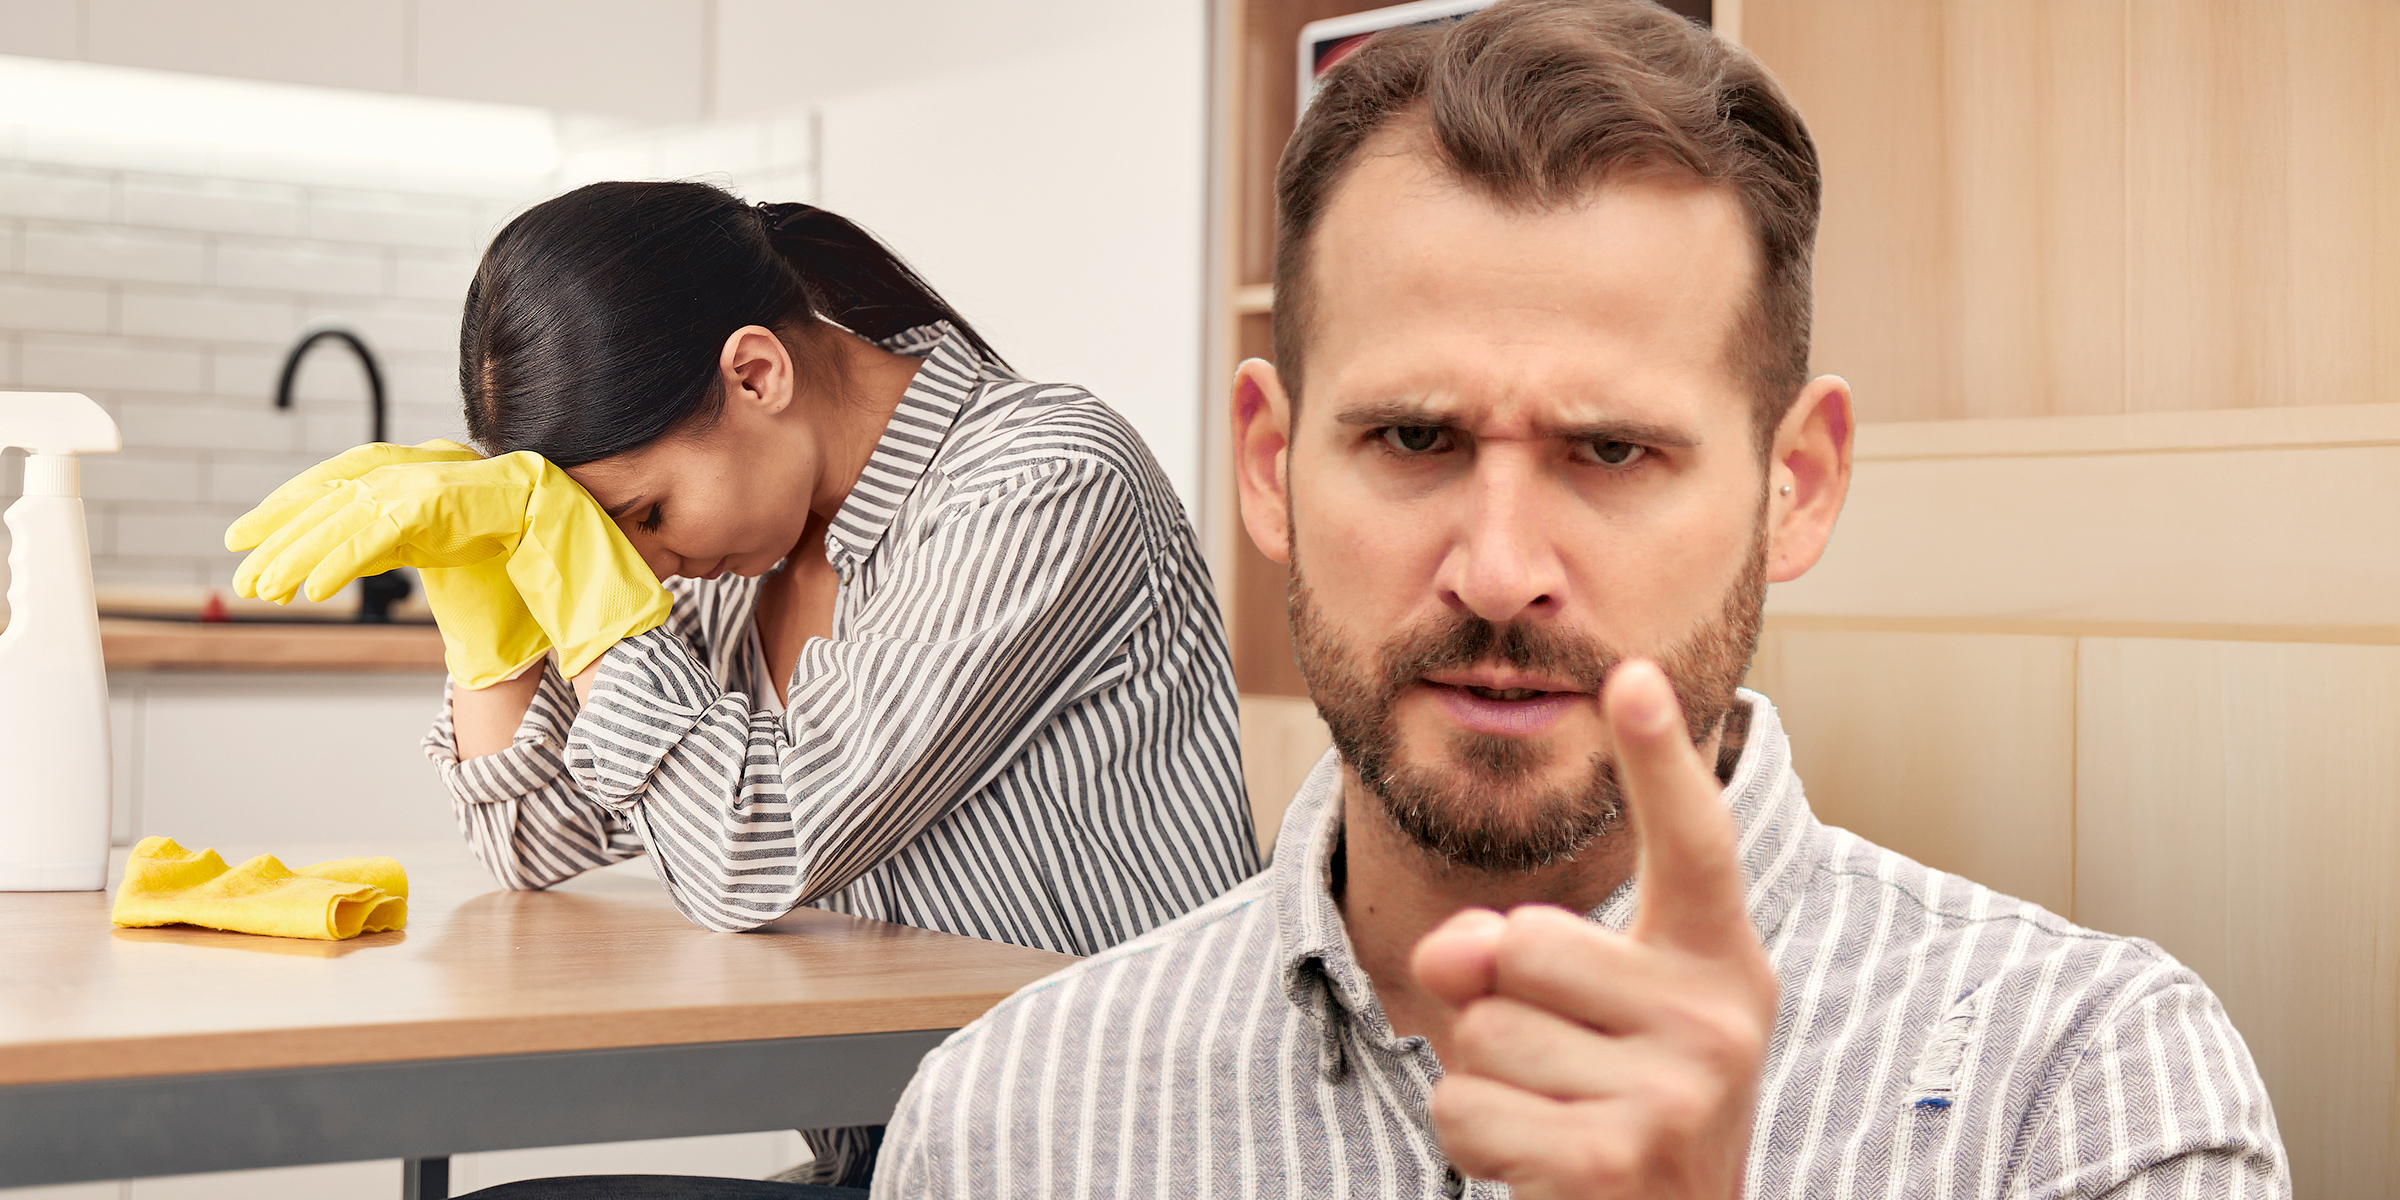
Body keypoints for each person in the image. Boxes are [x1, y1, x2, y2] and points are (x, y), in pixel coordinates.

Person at [871, 2, 2289, 1196]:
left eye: (1611, 451)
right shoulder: (1006, 1121)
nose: (1497, 571)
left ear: (1793, 486)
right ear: (1269, 468)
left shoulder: (2084, 1093)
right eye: (1413, 440)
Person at [224, 182, 1259, 1190]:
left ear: (756, 374)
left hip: (1121, 1157)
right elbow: (533, 842)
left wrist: (590, 596)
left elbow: (752, 850)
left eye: (645, 513)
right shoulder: (747, 545)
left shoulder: (1040, 483)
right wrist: (484, 597)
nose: (648, 558)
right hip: (913, 1157)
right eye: (605, 532)